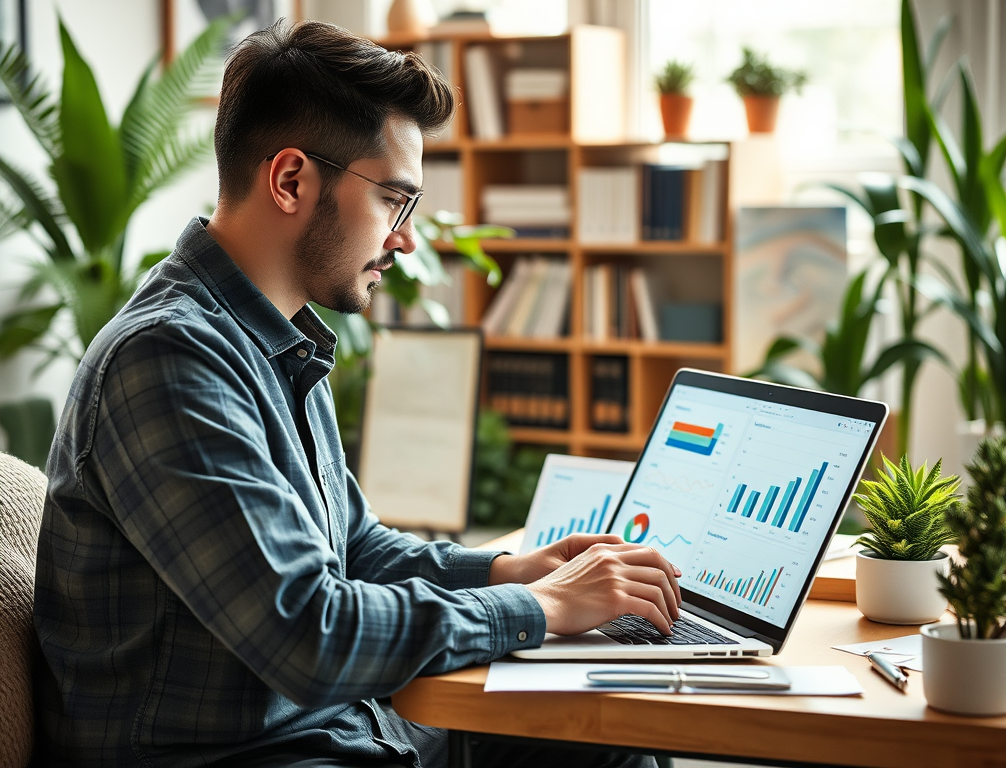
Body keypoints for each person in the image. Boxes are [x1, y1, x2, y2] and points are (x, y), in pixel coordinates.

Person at [33, 20, 681, 768]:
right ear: (290, 181)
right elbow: (307, 633)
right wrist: (543, 608)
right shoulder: (168, 361)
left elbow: (354, 547)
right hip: (251, 756)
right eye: (394, 201)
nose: (406, 238)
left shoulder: (275, 340)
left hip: (337, 733)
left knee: (612, 743)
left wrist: (511, 570)